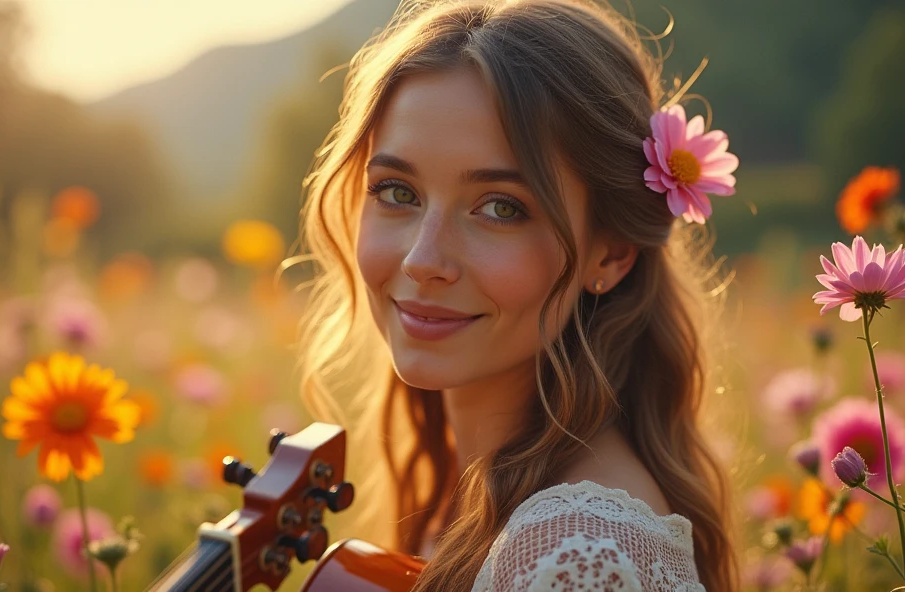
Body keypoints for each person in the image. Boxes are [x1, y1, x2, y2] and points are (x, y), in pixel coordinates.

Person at [288, 0, 740, 589]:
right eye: (397, 191)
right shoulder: (483, 503)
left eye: (501, 208)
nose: (422, 260)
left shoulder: (577, 555)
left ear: (610, 253)